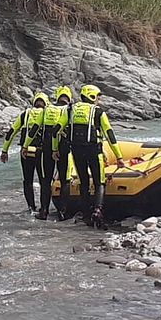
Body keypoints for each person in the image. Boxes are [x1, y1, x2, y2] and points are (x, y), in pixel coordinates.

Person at [61, 84, 124, 227]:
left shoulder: (71, 109)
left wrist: (56, 149)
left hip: (76, 150)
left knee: (83, 181)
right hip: (94, 150)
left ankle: (86, 214)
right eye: (98, 97)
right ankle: (98, 210)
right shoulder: (98, 112)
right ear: (92, 96)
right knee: (99, 181)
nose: (99, 100)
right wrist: (119, 157)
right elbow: (109, 134)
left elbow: (57, 128)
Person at [0, 92, 49, 216]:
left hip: (25, 152)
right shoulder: (47, 114)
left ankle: (31, 208)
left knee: (28, 181)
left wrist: (4, 150)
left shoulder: (26, 114)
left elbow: (11, 131)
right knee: (44, 181)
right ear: (46, 103)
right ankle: (44, 209)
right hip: (41, 151)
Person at [37, 85, 74, 220]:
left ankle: (44, 211)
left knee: (46, 180)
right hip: (63, 148)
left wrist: (25, 146)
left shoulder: (47, 109)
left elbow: (36, 127)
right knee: (64, 180)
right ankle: (63, 212)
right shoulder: (69, 110)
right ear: (69, 98)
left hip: (47, 148)